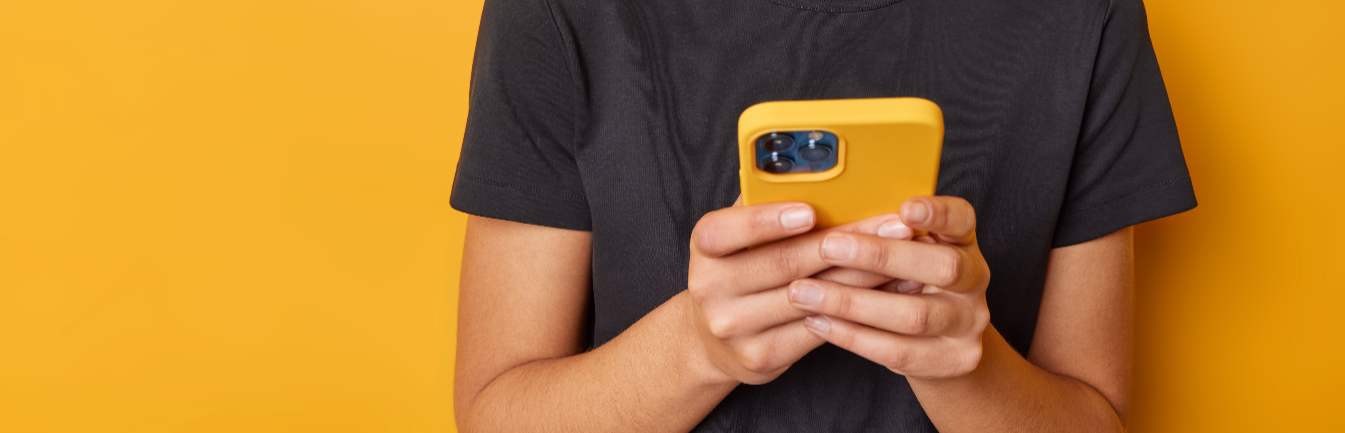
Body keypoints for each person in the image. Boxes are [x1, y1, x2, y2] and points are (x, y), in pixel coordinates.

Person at [447, 0, 1195, 431]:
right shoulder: (562, 10)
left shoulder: (1080, 15)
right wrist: (700, 349)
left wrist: (965, 362)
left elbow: (1097, 420)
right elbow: (496, 411)